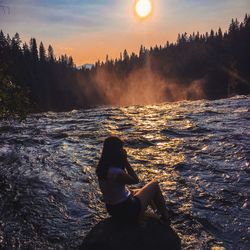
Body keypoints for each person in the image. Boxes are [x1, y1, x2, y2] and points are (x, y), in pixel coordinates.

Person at [96, 136, 170, 223]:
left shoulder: (102, 169)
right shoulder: (116, 172)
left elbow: (115, 189)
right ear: (116, 151)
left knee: (140, 190)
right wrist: (125, 161)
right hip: (127, 209)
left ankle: (156, 212)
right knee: (154, 184)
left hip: (112, 208)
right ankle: (165, 217)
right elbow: (135, 180)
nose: (123, 151)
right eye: (121, 149)